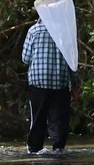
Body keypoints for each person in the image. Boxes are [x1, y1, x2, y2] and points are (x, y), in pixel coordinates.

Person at [22, 19, 79, 154]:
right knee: (59, 119)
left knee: (38, 117)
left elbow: (25, 58)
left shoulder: (34, 31)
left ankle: (35, 149)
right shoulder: (65, 33)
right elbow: (73, 62)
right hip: (60, 82)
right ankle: (58, 148)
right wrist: (75, 85)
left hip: (38, 82)